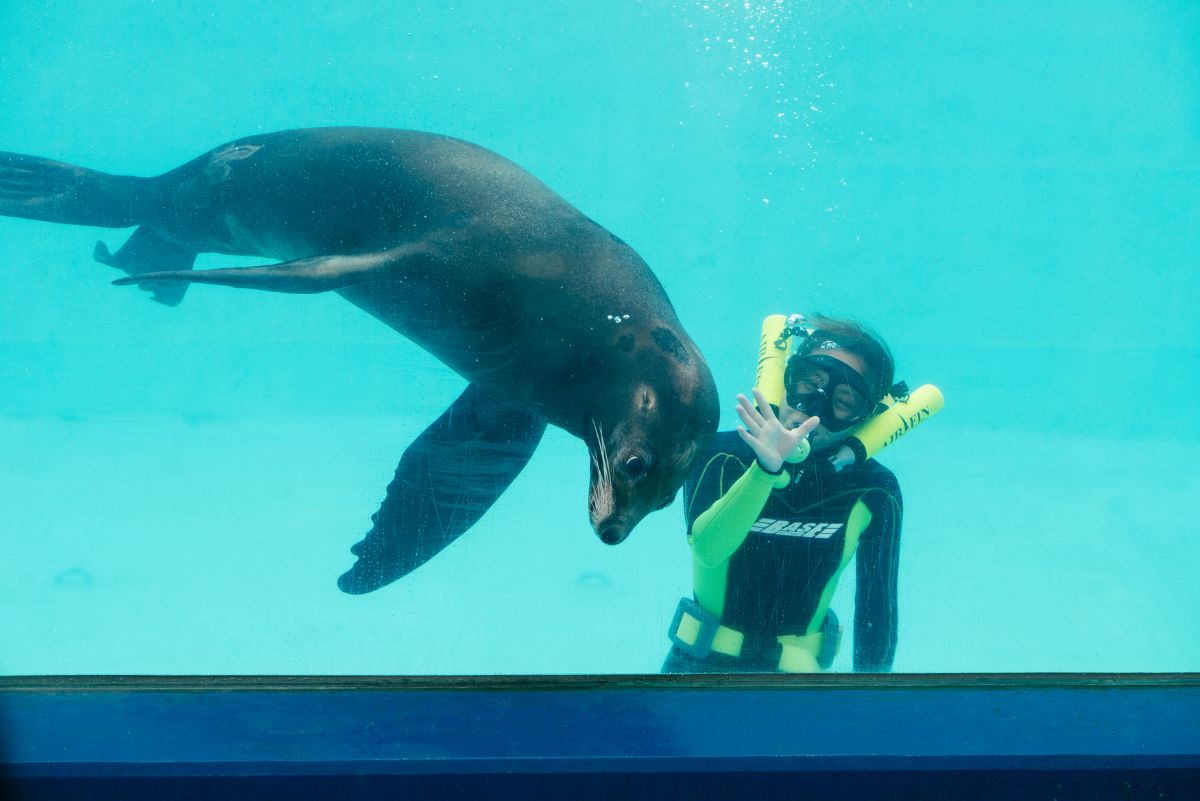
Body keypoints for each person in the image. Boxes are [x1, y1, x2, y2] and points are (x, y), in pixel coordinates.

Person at [662, 314, 905, 673]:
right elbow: (707, 549)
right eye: (809, 382)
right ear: (787, 379)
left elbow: (877, 609)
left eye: (844, 400)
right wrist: (764, 471)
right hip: (696, 672)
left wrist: (873, 703)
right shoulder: (723, 456)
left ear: (865, 418)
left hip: (799, 683)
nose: (814, 410)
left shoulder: (873, 490)